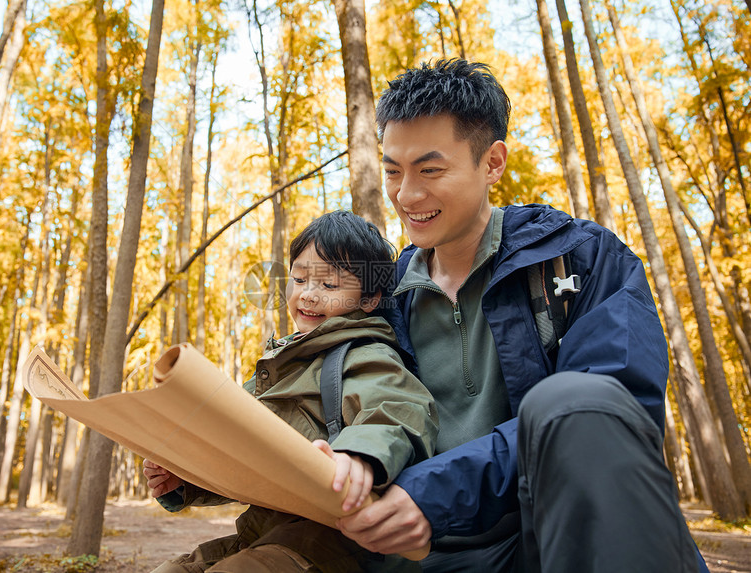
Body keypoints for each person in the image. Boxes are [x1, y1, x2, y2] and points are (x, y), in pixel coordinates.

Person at [336, 58, 707, 572]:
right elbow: (321, 388)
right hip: (414, 554)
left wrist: (436, 493)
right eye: (394, 171)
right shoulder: (383, 296)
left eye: (430, 170)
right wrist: (200, 470)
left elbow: (611, 412)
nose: (406, 195)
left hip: (546, 539)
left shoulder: (581, 258)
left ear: (491, 163)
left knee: (576, 398)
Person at [144, 210, 438, 573]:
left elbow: (395, 407)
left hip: (331, 543)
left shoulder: (363, 354)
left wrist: (360, 456)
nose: (308, 295)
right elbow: (242, 456)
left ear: (369, 299)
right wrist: (183, 479)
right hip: (260, 532)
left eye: (330, 286)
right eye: (299, 279)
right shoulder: (277, 366)